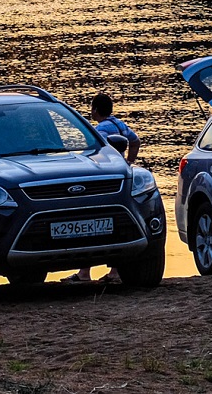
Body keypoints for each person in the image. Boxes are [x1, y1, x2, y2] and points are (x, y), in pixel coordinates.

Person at [63, 92, 140, 284]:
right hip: (120, 172)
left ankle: (84, 273)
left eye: (92, 108)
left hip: (104, 174)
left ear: (96, 110)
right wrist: (129, 161)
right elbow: (135, 140)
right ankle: (114, 272)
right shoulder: (120, 124)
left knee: (90, 222)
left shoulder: (101, 129)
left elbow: (96, 149)